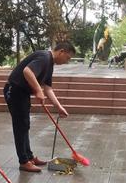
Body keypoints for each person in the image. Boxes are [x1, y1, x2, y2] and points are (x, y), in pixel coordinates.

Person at [4, 42, 75, 172]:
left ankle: (29, 157)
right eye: (68, 58)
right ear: (61, 52)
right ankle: (24, 161)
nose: (67, 62)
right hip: (14, 90)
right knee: (20, 125)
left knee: (25, 125)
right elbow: (28, 71)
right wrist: (37, 90)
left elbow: (48, 88)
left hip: (22, 92)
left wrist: (58, 107)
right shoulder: (44, 57)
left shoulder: (50, 64)